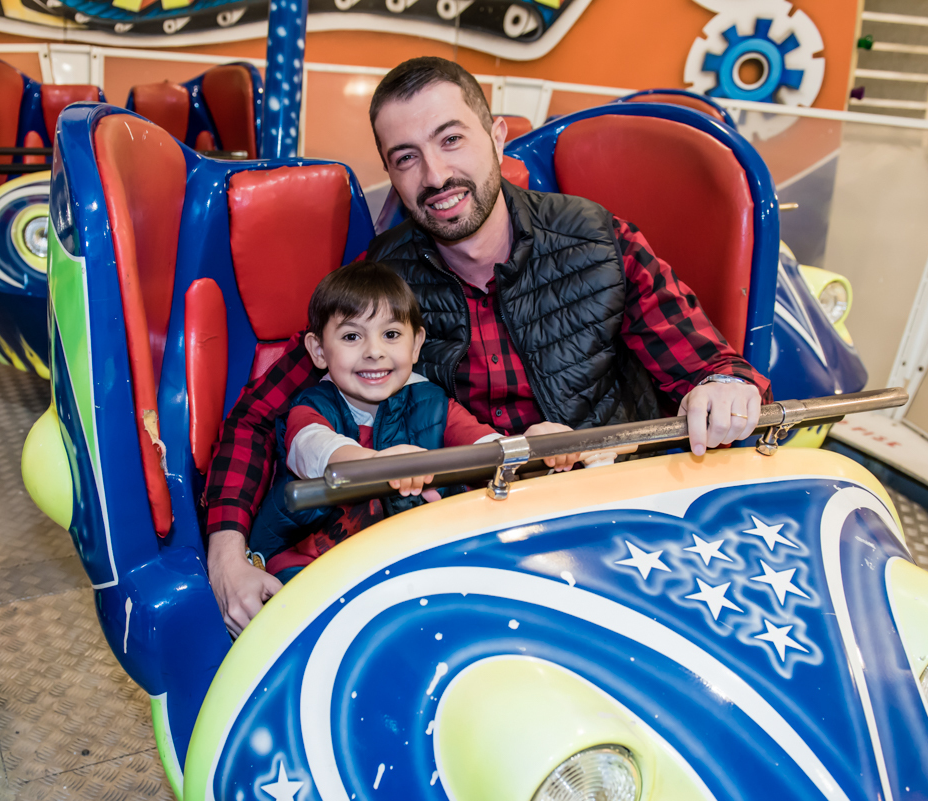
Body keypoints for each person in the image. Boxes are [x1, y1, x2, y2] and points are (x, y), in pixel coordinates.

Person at [205, 56, 772, 636]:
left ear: (497, 137)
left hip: (611, 527)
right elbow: (256, 418)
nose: (434, 175)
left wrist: (723, 389)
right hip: (466, 551)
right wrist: (227, 558)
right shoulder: (381, 282)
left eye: (451, 139)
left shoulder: (600, 242)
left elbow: (715, 369)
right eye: (407, 158)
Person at [247, 261, 578, 584]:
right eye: (351, 337)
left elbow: (488, 448)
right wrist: (377, 463)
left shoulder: (432, 404)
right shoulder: (312, 409)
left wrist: (534, 449)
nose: (374, 351)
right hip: (312, 563)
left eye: (391, 334)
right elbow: (317, 451)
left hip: (400, 560)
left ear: (416, 344)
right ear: (319, 350)